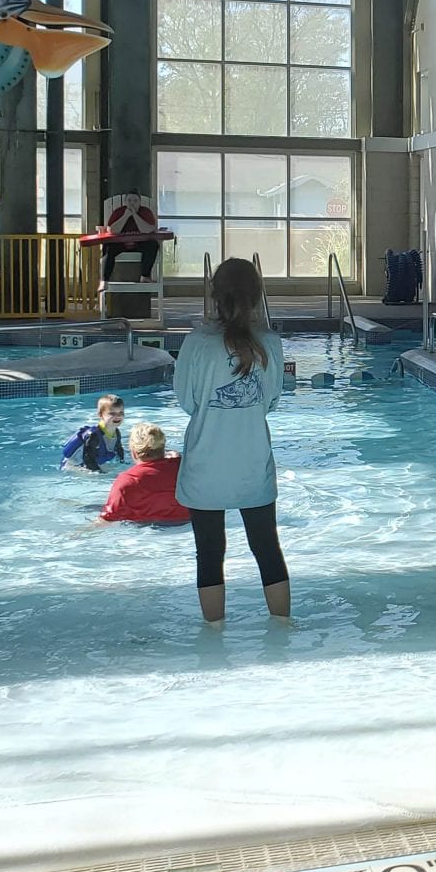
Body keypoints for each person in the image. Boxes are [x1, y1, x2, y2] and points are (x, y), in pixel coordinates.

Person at [175, 258, 289, 624]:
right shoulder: (270, 343)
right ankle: (284, 630)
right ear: (257, 297)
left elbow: (186, 402)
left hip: (205, 467)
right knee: (267, 549)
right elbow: (271, 402)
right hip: (252, 465)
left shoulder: (195, 343)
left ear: (213, 296)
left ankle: (212, 642)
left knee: (209, 554)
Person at [98, 423, 190, 525]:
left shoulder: (127, 480)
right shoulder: (184, 469)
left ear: (133, 452)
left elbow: (108, 518)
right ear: (163, 448)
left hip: (145, 534)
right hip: (185, 527)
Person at [60, 394, 126, 472]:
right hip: (72, 467)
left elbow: (119, 449)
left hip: (92, 463)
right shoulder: (94, 435)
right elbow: (88, 459)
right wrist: (101, 473)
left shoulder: (116, 432)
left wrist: (122, 463)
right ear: (100, 415)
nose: (118, 416)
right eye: (112, 414)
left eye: (121, 413)